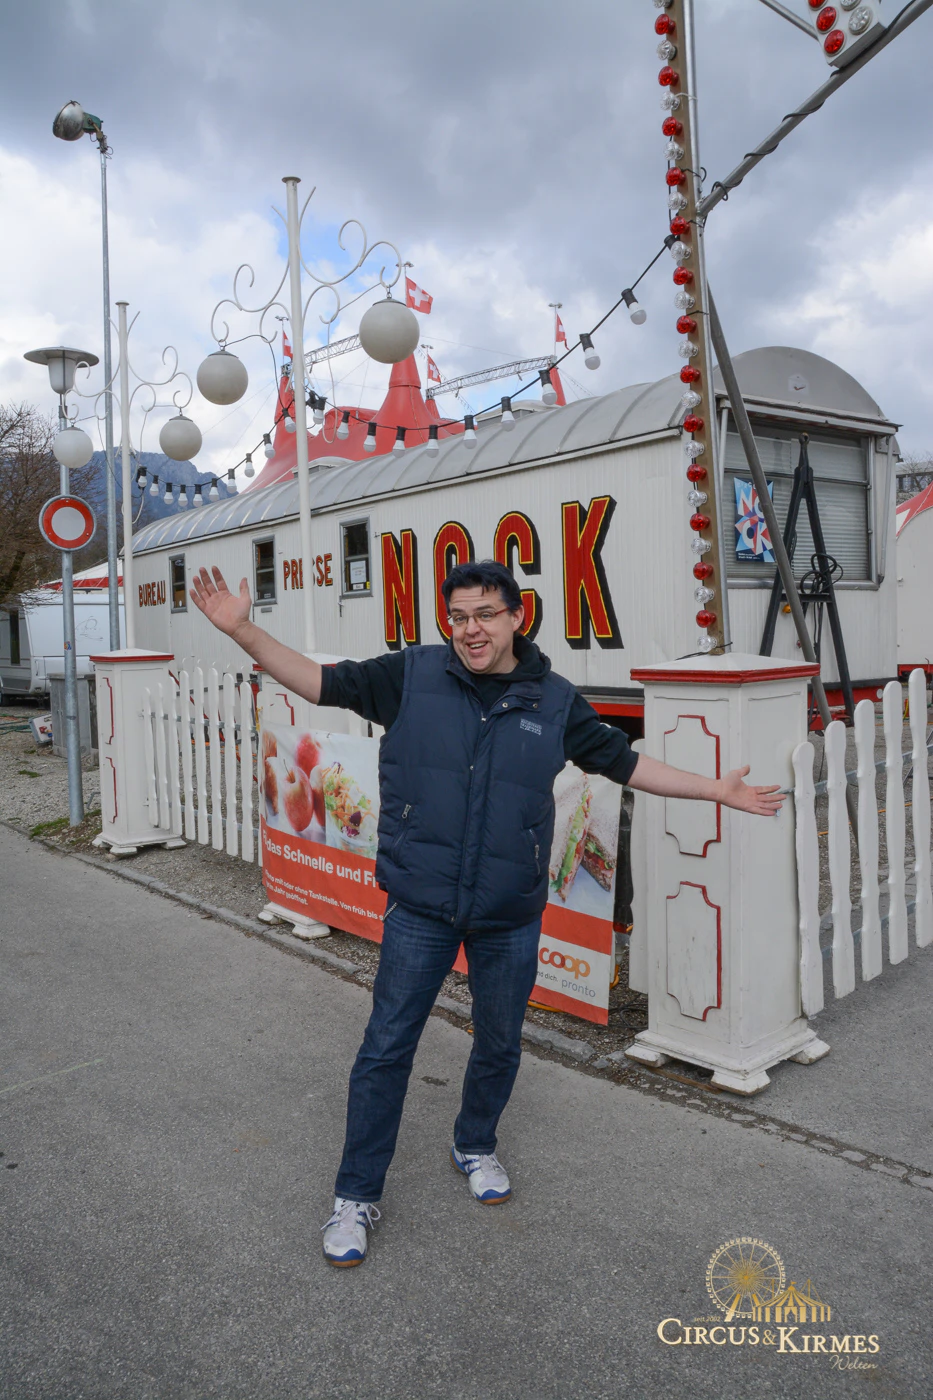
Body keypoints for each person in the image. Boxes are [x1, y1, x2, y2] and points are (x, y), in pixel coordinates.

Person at [190, 558, 783, 1267]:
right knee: (386, 1049)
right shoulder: (411, 676)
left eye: (485, 615)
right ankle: (355, 1194)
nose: (470, 630)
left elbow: (623, 763)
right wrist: (245, 633)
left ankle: (474, 1144)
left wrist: (714, 790)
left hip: (508, 911)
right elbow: (321, 681)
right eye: (458, 617)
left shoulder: (553, 700)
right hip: (421, 906)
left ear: (516, 617)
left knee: (499, 1043)